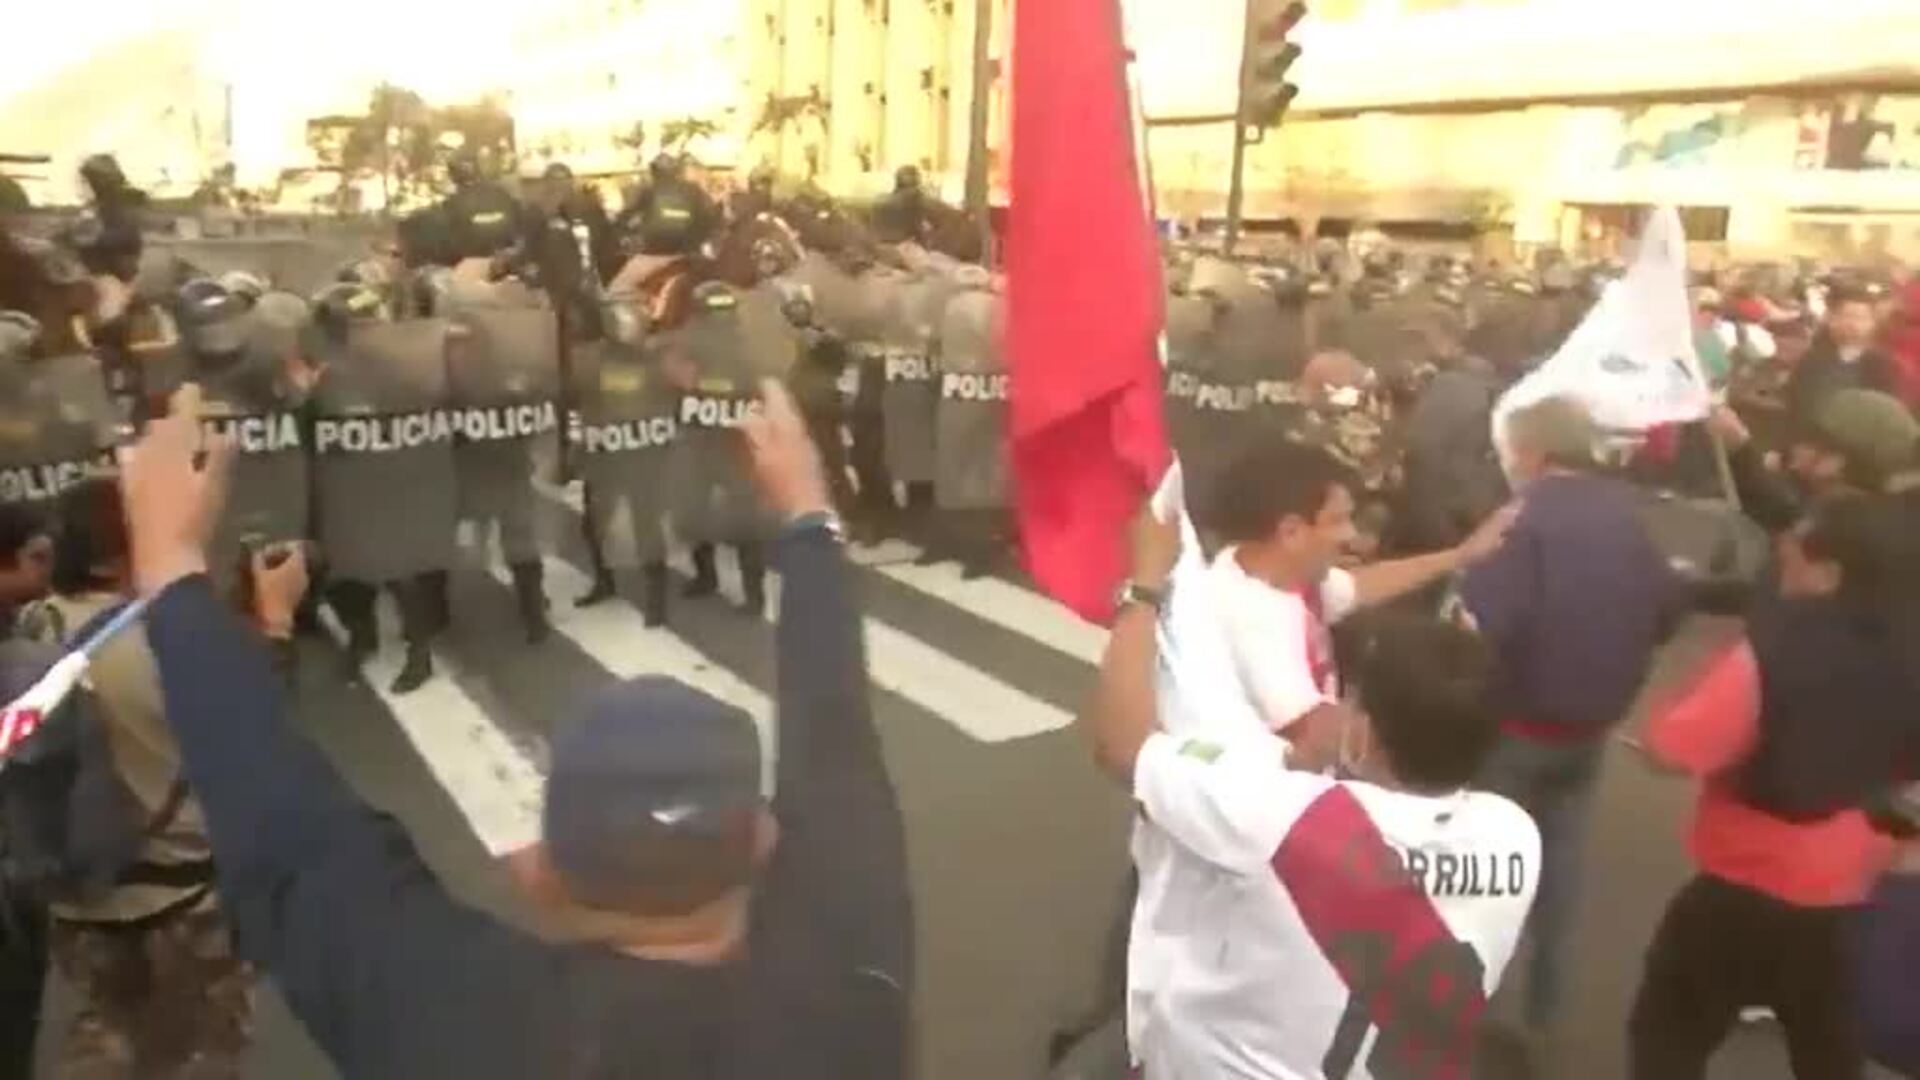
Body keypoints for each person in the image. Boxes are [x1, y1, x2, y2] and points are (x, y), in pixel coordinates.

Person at [111, 381, 912, 1077]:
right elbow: (836, 733)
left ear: (540, 872)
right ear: (765, 840)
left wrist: (171, 560)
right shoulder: (854, 979)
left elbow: (292, 834)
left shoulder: (461, 1025)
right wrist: (808, 517)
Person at [1081, 499, 1540, 1078]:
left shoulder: (1286, 818)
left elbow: (1122, 747)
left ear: (1366, 732)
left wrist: (1144, 584)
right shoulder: (1516, 833)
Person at [1630, 495, 1920, 1079]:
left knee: (1669, 1032)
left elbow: (1674, 749)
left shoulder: (1770, 651)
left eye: (1792, 562)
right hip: (1852, 883)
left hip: (1744, 882)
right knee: (1827, 1047)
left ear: (1830, 574)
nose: (1780, 570)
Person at [1459, 396, 1680, 1051]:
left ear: (1532, 452)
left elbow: (1484, 626)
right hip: (1589, 729)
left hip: (1514, 726)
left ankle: (1476, 1017)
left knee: (1489, 874)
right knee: (1562, 876)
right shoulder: (1630, 516)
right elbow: (1668, 608)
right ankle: (1545, 1018)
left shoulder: (1522, 521)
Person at [17, 477, 253, 1077]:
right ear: (127, 552)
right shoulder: (167, 639)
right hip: (181, 891)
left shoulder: (33, 631)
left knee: (115, 1024)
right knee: (206, 1041)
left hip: (75, 893)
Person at [1200, 434, 1516, 742]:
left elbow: (1357, 587)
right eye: (1338, 520)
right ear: (1291, 532)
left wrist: (1460, 555)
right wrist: (1441, 678)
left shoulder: (1274, 571)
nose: (1351, 534)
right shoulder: (1250, 623)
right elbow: (1314, 735)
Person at [1785, 284, 1901, 431]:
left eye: (1860, 318)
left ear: (1873, 323)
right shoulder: (1811, 360)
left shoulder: (1884, 366)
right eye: (1845, 315)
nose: (1851, 323)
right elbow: (1795, 406)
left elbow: (1885, 418)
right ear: (1832, 320)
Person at [438, 149, 526, 267]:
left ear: (452, 176)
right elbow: (520, 224)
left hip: (471, 263)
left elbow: (449, 244)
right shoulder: (502, 193)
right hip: (506, 259)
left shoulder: (452, 203)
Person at [872, 165, 931, 246]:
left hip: (880, 246)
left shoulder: (880, 199)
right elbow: (919, 227)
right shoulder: (914, 197)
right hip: (903, 245)